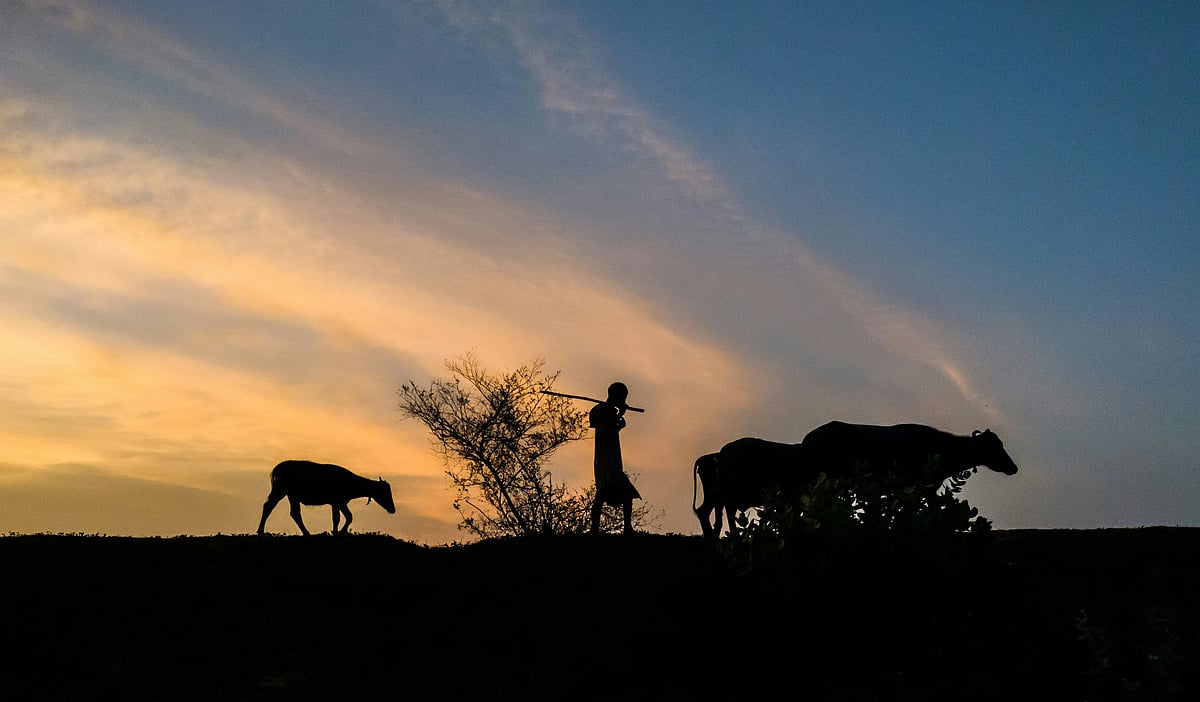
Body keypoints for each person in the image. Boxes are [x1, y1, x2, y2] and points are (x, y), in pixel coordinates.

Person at [589, 381, 641, 534]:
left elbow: (610, 429)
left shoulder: (602, 410)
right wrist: (619, 416)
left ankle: (597, 529)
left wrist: (618, 421)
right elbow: (606, 430)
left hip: (607, 459)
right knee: (616, 491)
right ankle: (623, 528)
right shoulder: (604, 411)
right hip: (607, 460)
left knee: (609, 492)